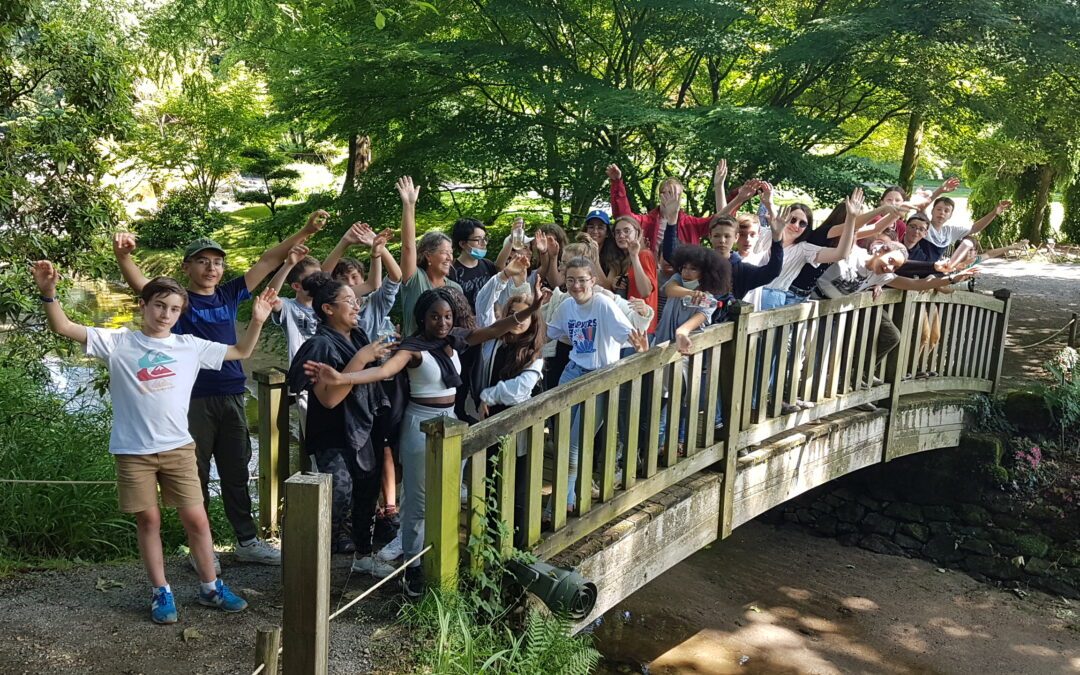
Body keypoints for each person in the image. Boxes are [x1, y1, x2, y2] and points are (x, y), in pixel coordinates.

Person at [32, 261, 273, 623]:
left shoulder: (189, 345)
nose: (166, 314)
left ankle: (210, 587)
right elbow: (64, 326)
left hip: (178, 447)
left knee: (198, 520)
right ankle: (162, 591)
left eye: (174, 309)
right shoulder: (118, 343)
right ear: (142, 306)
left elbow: (239, 352)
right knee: (149, 521)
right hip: (133, 451)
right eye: (159, 305)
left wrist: (257, 319)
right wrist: (49, 293)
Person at [113, 214, 326, 569]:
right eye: (202, 261)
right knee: (193, 477)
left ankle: (246, 540)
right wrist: (124, 258)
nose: (211, 268)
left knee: (236, 470)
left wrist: (306, 230)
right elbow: (144, 288)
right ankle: (203, 549)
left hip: (232, 394)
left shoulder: (229, 294)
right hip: (192, 400)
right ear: (187, 267)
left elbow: (268, 261)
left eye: (217, 262)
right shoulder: (178, 302)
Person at [303, 285, 543, 598]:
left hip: (452, 425)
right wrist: (342, 378)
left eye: (447, 316)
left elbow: (498, 327)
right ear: (422, 319)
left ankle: (439, 556)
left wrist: (533, 307)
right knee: (417, 501)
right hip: (420, 426)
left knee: (448, 493)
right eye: (435, 317)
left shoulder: (453, 340)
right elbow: (383, 371)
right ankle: (413, 569)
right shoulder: (413, 348)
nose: (442, 322)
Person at [287, 273, 396, 570]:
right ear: (328, 309)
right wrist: (361, 358)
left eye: (356, 300)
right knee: (337, 496)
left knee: (366, 492)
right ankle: (310, 565)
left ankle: (363, 556)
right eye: (349, 301)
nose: (356, 306)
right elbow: (329, 399)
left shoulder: (358, 335)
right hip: (334, 433)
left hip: (364, 427)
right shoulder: (320, 345)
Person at [546, 257, 649, 514]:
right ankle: (569, 499)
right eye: (571, 280)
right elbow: (551, 333)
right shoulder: (566, 306)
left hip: (601, 378)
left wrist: (642, 340)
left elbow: (628, 333)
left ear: (593, 280)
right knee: (562, 439)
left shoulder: (603, 303)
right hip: (572, 372)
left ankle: (554, 508)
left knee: (575, 444)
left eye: (582, 280)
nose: (576, 285)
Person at [396, 176, 465, 336]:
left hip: (445, 355)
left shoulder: (456, 289)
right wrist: (409, 205)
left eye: (451, 253)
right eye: (444, 252)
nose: (449, 258)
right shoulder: (415, 279)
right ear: (428, 255)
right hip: (415, 354)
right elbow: (407, 247)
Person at [599, 216, 659, 333]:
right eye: (617, 232)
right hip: (626, 324)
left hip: (642, 327)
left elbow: (645, 291)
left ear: (637, 233)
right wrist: (617, 284)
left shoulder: (644, 255)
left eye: (626, 231)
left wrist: (634, 256)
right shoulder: (623, 260)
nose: (621, 235)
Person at [449, 218, 498, 308]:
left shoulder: (488, 265)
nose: (484, 243)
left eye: (485, 238)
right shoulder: (452, 271)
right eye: (478, 239)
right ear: (463, 244)